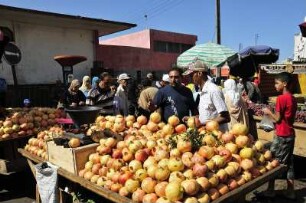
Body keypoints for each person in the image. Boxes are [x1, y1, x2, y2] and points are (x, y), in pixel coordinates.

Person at [261, 72, 297, 200]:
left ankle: (270, 190)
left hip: (281, 135)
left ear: (285, 83)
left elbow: (276, 119)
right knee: (289, 163)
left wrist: (268, 112)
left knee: (273, 161)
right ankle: (290, 191)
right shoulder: (292, 98)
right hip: (290, 134)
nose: (275, 85)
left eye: (277, 83)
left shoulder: (281, 98)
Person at [182, 60, 230, 131]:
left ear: (199, 73)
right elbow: (207, 115)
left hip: (217, 135)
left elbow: (225, 117)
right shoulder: (202, 91)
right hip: (207, 135)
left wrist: (201, 124)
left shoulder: (213, 90)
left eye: (191, 75)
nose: (190, 78)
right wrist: (192, 119)